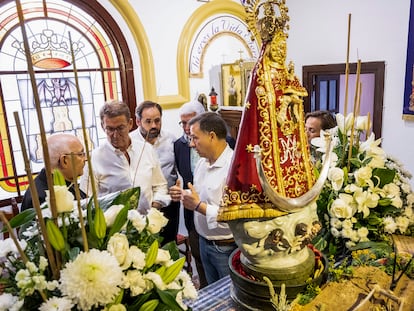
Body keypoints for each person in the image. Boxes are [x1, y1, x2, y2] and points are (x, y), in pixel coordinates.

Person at [170, 112, 236, 285]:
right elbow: (198, 196)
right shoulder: (202, 163)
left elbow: (233, 214)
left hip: (225, 247)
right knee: (211, 294)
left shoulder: (233, 167)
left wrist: (198, 205)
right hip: (203, 242)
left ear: (212, 136)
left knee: (228, 299)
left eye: (195, 138)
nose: (191, 144)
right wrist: (183, 194)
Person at [79, 100, 170, 213]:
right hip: (114, 228)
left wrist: (154, 208)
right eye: (110, 129)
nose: (115, 135)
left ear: (130, 124)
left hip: (148, 223)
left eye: (120, 128)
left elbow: (160, 185)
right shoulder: (95, 158)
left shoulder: (146, 149)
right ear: (102, 126)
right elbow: (88, 200)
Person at [130, 100, 179, 244]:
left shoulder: (171, 139)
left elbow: (179, 167)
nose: (154, 126)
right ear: (138, 122)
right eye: (148, 121)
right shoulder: (130, 142)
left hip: (168, 203)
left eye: (157, 121)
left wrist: (179, 187)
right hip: (142, 208)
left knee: (169, 245)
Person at [173, 100, 208, 287]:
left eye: (190, 122)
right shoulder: (178, 145)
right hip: (191, 214)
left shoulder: (225, 142)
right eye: (183, 123)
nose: (186, 128)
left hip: (215, 214)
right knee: (198, 258)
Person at [21, 133, 87, 210]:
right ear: (64, 160)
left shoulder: (67, 182)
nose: (85, 159)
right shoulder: (44, 198)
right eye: (80, 154)